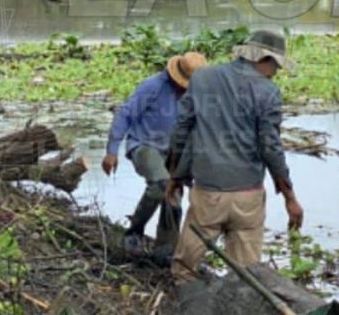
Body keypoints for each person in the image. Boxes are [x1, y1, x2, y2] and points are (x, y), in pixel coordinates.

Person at [166, 30, 304, 282]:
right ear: (265, 59)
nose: (276, 73)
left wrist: (175, 176)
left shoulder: (202, 79)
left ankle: (185, 301)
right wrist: (289, 197)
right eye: (275, 66)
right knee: (247, 278)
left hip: (208, 192)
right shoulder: (268, 92)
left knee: (184, 270)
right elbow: (270, 147)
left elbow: (183, 130)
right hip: (247, 195)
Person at [102, 51, 208, 252]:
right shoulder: (153, 86)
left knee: (173, 193)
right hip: (144, 145)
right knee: (161, 184)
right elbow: (125, 114)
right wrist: (112, 151)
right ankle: (134, 232)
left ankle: (166, 248)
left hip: (174, 151)